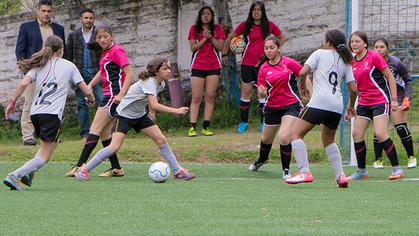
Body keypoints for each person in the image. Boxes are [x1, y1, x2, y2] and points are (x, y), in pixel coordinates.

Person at [74, 57, 195, 181]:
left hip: (139, 115)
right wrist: (176, 110)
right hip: (123, 116)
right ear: (156, 71)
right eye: (165, 68)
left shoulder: (161, 83)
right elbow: (154, 104)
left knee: (161, 139)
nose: (169, 71)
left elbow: (151, 101)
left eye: (169, 68)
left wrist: (151, 113)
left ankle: (177, 171)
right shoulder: (149, 81)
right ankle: (83, 171)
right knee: (114, 147)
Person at [3, 35, 94, 191]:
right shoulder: (69, 66)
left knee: (51, 144)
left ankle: (28, 174)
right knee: (45, 156)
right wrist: (91, 99)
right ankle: (15, 175)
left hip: (36, 114)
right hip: (51, 115)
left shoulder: (39, 66)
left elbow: (23, 83)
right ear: (61, 50)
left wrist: (12, 103)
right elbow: (85, 89)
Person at [284, 29, 358, 188]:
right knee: (329, 140)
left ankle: (304, 171)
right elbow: (353, 89)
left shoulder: (319, 53)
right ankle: (341, 177)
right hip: (336, 106)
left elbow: (303, 72)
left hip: (319, 102)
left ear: (328, 42)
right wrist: (351, 106)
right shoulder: (346, 61)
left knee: (295, 135)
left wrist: (302, 87)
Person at [65, 24, 133, 177]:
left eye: (105, 36)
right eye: (99, 37)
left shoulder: (117, 51)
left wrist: (121, 94)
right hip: (109, 95)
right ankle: (116, 168)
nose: (102, 40)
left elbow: (129, 73)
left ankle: (79, 166)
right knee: (104, 134)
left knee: (93, 131)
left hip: (112, 97)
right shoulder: (106, 52)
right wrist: (89, 85)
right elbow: (102, 72)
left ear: (112, 36)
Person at [346, 31, 405, 181]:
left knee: (380, 133)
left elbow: (390, 77)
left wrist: (394, 100)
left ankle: (397, 169)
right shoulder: (351, 62)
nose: (354, 44)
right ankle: (361, 171)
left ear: (365, 43)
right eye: (352, 42)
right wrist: (350, 106)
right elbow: (353, 88)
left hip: (380, 100)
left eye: (357, 41)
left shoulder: (374, 57)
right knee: (356, 134)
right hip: (364, 103)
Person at [222, 1, 286, 134]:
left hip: (263, 65)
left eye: (259, 9)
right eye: (254, 10)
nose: (256, 12)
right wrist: (224, 53)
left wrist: (274, 52)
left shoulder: (269, 26)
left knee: (262, 93)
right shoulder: (245, 26)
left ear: (263, 12)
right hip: (247, 64)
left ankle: (264, 123)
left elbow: (282, 37)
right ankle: (243, 122)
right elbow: (230, 38)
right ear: (251, 12)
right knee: (246, 93)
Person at [247, 36, 302, 179]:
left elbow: (303, 73)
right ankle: (262, 159)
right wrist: (261, 90)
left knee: (284, 137)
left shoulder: (289, 63)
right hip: (272, 107)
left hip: (291, 105)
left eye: (272, 47)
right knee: (266, 139)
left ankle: (286, 170)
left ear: (278, 48)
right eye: (266, 48)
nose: (269, 50)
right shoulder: (263, 68)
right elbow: (261, 86)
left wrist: (309, 88)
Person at [15, 0, 65, 146]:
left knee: (52, 105)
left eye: (49, 11)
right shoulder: (26, 27)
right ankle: (28, 136)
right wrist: (26, 70)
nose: (46, 14)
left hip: (53, 73)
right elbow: (20, 50)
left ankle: (50, 135)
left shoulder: (59, 29)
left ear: (52, 12)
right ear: (37, 11)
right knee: (30, 102)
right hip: (34, 71)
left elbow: (63, 50)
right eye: (43, 11)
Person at [372, 37, 416, 169]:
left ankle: (411, 157)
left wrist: (407, 98)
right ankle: (378, 159)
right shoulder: (371, 62)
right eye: (376, 47)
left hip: (398, 96)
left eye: (382, 47)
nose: (379, 50)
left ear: (387, 49)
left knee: (400, 128)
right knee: (379, 131)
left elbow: (407, 80)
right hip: (381, 97)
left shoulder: (395, 63)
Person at [187, 6, 226, 137]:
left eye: (208, 14)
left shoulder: (217, 29)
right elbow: (193, 48)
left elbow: (221, 47)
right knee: (196, 97)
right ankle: (192, 127)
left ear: (212, 16)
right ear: (200, 16)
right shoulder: (194, 29)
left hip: (214, 66)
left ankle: (206, 126)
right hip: (197, 65)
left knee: (210, 96)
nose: (206, 16)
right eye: (203, 14)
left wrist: (211, 38)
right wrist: (204, 38)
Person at [65, 8, 103, 140]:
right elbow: (68, 57)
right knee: (81, 104)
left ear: (94, 19)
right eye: (86, 18)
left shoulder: (100, 34)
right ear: (81, 19)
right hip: (79, 76)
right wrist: (69, 76)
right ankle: (85, 133)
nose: (88, 20)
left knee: (103, 100)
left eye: (91, 18)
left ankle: (102, 130)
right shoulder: (73, 36)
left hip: (97, 74)